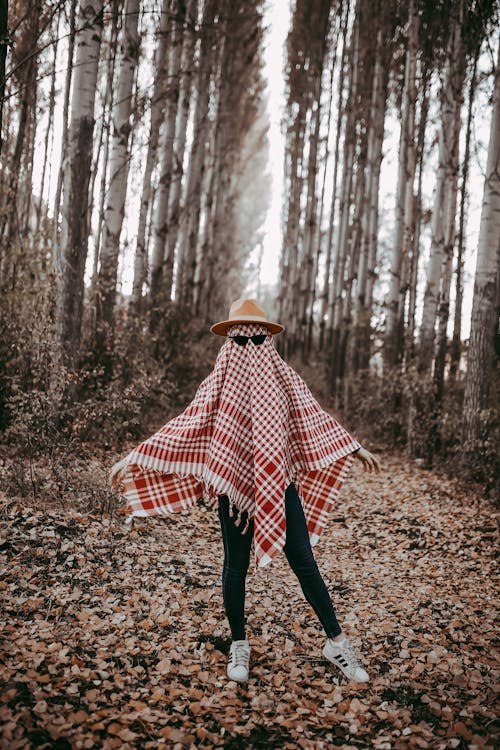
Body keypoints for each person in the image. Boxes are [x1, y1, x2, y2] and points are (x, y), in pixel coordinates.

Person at [110, 298, 380, 684]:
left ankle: (336, 642)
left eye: (256, 340)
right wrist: (137, 455)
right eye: (239, 341)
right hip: (234, 489)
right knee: (235, 567)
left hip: (278, 484)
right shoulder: (220, 381)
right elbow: (188, 423)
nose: (248, 349)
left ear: (267, 341)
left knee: (304, 561)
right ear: (228, 342)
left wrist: (353, 445)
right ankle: (239, 644)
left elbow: (312, 414)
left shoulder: (283, 377)